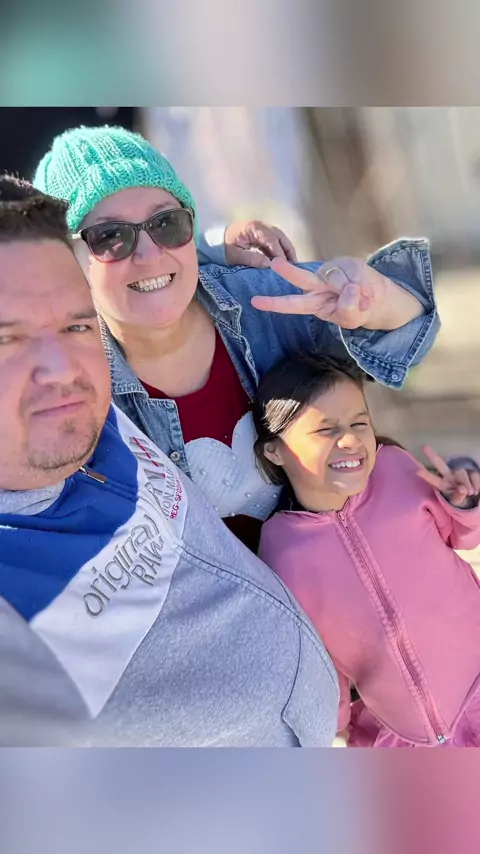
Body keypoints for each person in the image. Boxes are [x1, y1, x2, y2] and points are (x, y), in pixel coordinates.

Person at [0, 175, 340, 747]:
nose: (62, 368)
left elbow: (142, 267)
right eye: (6, 339)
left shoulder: (97, 422)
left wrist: (214, 244)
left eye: (77, 324)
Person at [34, 125, 439, 552]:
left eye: (166, 223)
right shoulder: (67, 387)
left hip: (342, 579)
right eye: (110, 236)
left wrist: (380, 302)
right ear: (67, 262)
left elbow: (411, 335)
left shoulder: (261, 302)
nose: (149, 254)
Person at [253, 353, 480, 747]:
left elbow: (463, 537)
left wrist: (464, 504)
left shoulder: (396, 470)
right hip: (403, 734)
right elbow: (315, 652)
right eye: (326, 429)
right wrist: (337, 718)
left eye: (360, 423)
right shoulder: (281, 549)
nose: (351, 440)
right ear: (274, 451)